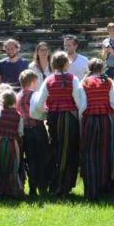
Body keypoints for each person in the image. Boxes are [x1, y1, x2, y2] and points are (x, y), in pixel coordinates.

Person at [32, 51, 87, 195]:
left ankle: (55, 184)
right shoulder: (73, 79)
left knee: (56, 149)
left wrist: (47, 112)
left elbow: (38, 104)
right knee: (69, 152)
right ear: (66, 63)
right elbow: (80, 102)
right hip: (69, 119)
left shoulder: (48, 80)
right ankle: (64, 186)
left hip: (54, 118)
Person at [80, 58, 114, 199]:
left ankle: (92, 188)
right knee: (108, 152)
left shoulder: (84, 82)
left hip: (89, 120)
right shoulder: (108, 81)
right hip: (106, 119)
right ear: (102, 68)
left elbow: (82, 106)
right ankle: (109, 187)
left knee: (90, 154)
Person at [18, 70, 51, 197]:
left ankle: (32, 188)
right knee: (42, 157)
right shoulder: (35, 95)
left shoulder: (18, 95)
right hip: (37, 128)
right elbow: (42, 110)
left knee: (30, 159)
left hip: (25, 131)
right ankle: (42, 186)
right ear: (32, 82)